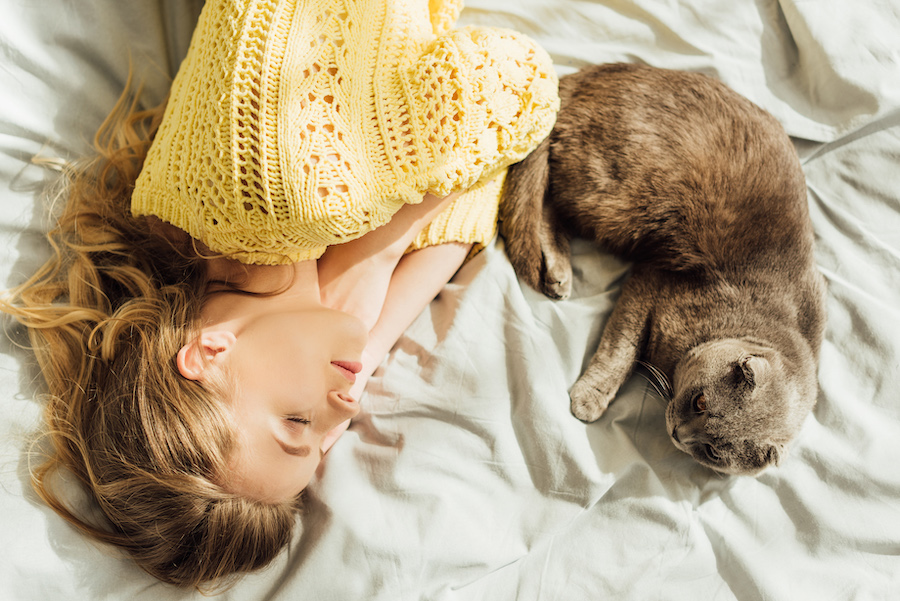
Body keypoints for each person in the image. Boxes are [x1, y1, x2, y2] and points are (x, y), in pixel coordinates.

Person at [1, 0, 558, 588]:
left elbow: (521, 82)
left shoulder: (291, 197)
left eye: (296, 422)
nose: (346, 405)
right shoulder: (193, 226)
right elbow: (476, 188)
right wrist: (371, 319)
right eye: (322, 444)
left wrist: (382, 250)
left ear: (208, 353)